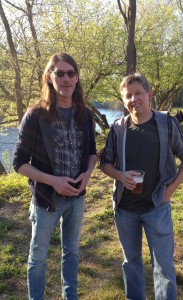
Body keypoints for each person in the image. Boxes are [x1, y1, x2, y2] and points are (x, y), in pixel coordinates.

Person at [100, 73, 183, 300]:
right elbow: (105, 163)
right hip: (125, 209)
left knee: (163, 266)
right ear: (123, 101)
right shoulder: (118, 129)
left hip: (157, 207)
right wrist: (120, 175)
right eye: (128, 96)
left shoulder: (167, 123)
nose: (134, 99)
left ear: (149, 95)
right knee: (131, 263)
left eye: (138, 93)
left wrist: (170, 191)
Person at [13, 52, 97, 300]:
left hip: (77, 198)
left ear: (77, 77)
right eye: (59, 73)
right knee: (38, 256)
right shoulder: (36, 115)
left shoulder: (85, 114)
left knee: (71, 252)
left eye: (71, 73)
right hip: (46, 199)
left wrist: (88, 174)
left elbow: (92, 152)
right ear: (50, 78)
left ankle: (70, 296)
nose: (66, 78)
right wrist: (53, 181)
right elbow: (18, 163)